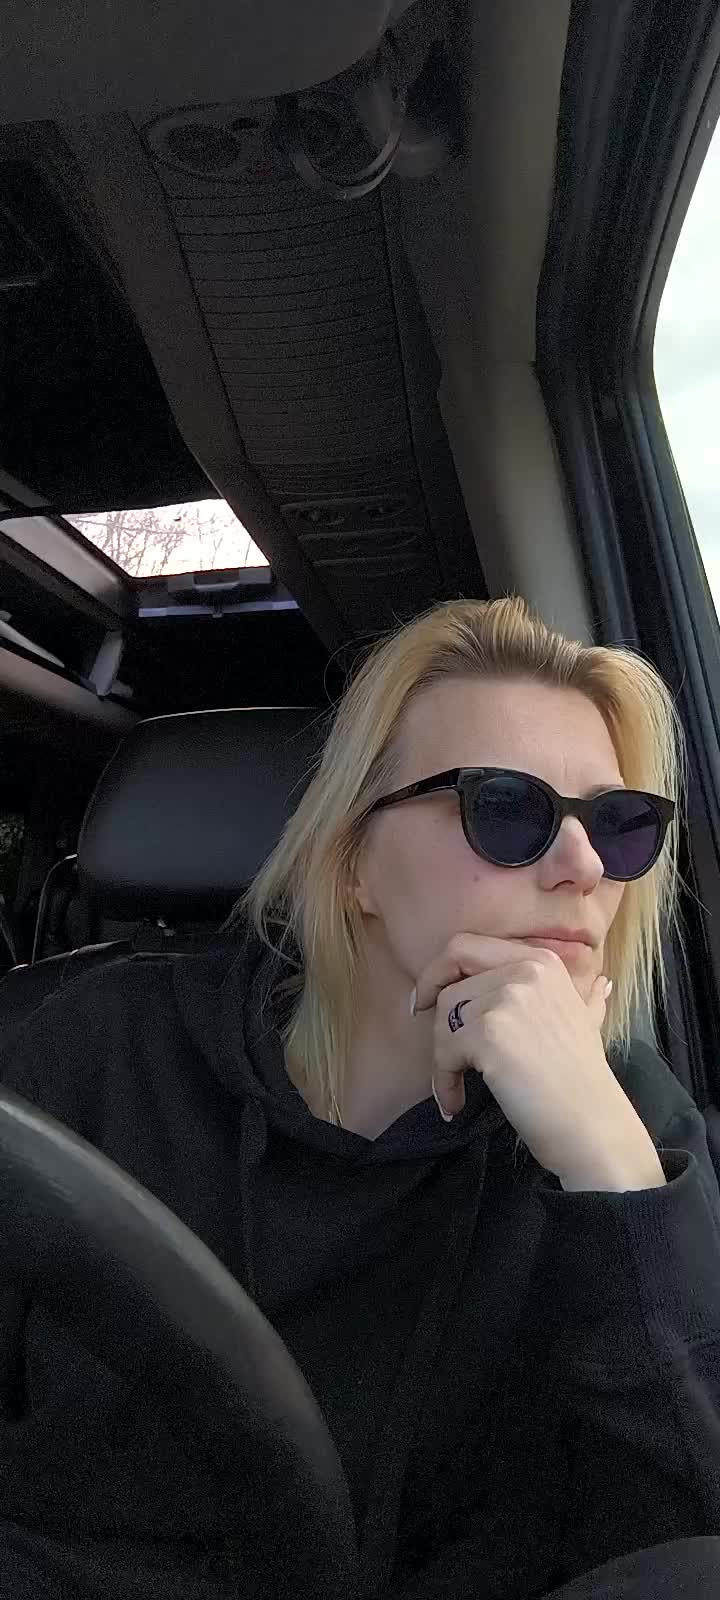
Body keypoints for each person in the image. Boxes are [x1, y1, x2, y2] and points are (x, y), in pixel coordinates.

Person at [1, 594, 720, 1600]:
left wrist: (610, 1173)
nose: (586, 866)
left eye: (621, 824)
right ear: (353, 867)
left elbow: (685, 1540)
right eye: (506, 809)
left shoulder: (632, 1127)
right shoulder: (93, 1050)